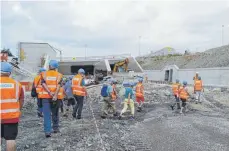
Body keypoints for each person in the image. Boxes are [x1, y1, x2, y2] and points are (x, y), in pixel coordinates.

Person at [1, 62, 24, 151]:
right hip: (11, 116)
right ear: (10, 73)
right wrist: (18, 110)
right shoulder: (17, 84)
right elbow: (21, 100)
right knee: (10, 139)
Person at [39, 60, 63, 137]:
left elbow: (43, 84)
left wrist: (49, 92)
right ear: (56, 67)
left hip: (46, 97)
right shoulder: (59, 75)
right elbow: (59, 86)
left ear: (49, 66)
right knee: (55, 113)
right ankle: (55, 128)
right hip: (56, 98)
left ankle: (47, 131)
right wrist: (55, 95)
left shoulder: (44, 74)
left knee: (47, 115)